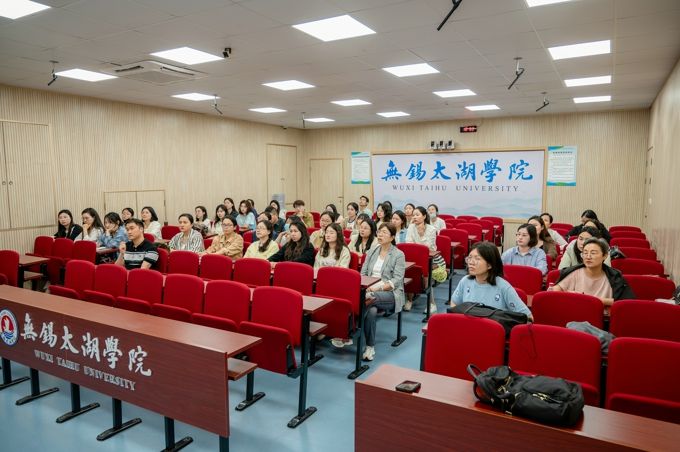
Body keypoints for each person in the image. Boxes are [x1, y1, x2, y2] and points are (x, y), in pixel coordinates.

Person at [357, 223, 406, 361]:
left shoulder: (398, 254)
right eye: (379, 232)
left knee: (369, 298)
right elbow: (363, 273)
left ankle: (350, 331)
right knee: (371, 310)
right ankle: (370, 346)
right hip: (369, 291)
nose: (380, 235)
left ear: (392, 237)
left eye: (384, 232)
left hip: (390, 293)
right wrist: (366, 286)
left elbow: (397, 280)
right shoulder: (372, 250)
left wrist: (377, 288)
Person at [451, 241, 532, 319]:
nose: (471, 262)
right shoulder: (465, 281)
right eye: (469, 258)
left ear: (489, 265)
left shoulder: (503, 287)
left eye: (477, 259)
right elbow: (454, 303)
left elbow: (528, 317)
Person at [551, 238, 635, 306]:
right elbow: (555, 291)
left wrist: (591, 300)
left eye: (593, 253)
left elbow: (624, 303)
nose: (588, 257)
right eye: (585, 253)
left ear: (605, 256)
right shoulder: (575, 272)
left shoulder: (614, 277)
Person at [404, 206, 438, 313]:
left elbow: (430, 248)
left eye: (417, 215)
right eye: (413, 215)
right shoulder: (411, 227)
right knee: (409, 274)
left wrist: (422, 235)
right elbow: (408, 243)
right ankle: (409, 300)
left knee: (426, 278)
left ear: (424, 216)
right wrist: (418, 247)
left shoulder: (431, 229)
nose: (414, 217)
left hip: (426, 258)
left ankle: (432, 303)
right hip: (412, 257)